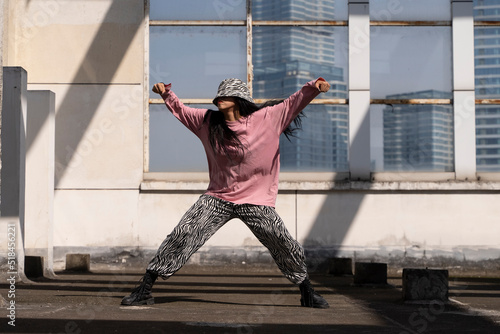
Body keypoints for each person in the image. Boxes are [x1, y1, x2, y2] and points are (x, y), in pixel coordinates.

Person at [121, 77, 331, 308]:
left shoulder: (268, 118)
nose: (220, 100)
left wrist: (315, 86)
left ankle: (307, 293)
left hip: (256, 200)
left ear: (239, 100)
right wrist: (165, 93)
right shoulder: (207, 122)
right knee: (184, 233)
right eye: (219, 96)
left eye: (226, 96)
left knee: (282, 241)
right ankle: (144, 289)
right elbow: (180, 110)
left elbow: (296, 101)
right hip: (218, 197)